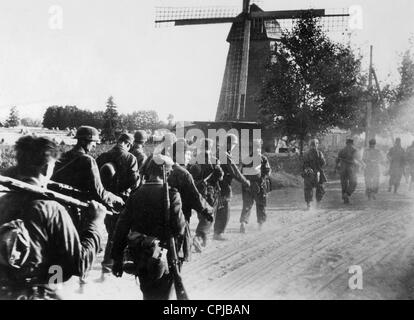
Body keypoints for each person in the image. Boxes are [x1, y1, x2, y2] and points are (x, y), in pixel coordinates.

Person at [0, 136, 106, 300]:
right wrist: (95, 224)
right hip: (37, 294)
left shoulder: (3, 202)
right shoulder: (51, 209)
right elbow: (79, 264)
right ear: (46, 168)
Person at [111, 154, 186, 300]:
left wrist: (117, 259)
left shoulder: (135, 194)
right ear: (168, 173)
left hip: (140, 254)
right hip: (164, 255)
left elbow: (121, 228)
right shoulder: (172, 195)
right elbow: (179, 228)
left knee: (148, 293)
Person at [96, 133, 139, 279]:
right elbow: (134, 180)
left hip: (105, 199)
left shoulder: (102, 156)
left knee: (110, 231)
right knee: (118, 232)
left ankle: (109, 264)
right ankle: (110, 265)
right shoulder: (130, 158)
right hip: (122, 201)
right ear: (128, 144)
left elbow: (96, 179)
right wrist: (122, 190)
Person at [52, 126, 124, 210]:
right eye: (94, 142)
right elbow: (99, 193)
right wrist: (116, 199)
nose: (95, 145)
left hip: (59, 201)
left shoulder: (63, 156)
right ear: (83, 141)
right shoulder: (88, 161)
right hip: (76, 206)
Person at [188, 138, 224, 247]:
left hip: (195, 190)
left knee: (201, 214)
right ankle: (199, 237)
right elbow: (220, 177)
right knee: (209, 215)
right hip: (209, 192)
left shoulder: (193, 160)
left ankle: (203, 239)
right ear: (211, 147)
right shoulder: (214, 160)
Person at [214, 133, 250, 240]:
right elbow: (235, 172)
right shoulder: (224, 155)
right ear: (229, 144)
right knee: (225, 209)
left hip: (218, 185)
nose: (234, 146)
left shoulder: (219, 152)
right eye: (234, 144)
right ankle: (218, 233)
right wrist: (246, 182)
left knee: (221, 208)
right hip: (223, 186)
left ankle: (217, 232)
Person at [239, 139, 271, 233]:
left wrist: (246, 183)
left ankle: (243, 223)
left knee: (247, 205)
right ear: (260, 146)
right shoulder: (263, 158)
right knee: (261, 205)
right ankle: (260, 225)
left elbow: (241, 173)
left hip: (247, 185)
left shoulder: (247, 158)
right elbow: (267, 172)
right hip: (259, 185)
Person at [302, 139, 327, 209]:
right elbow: (323, 163)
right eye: (315, 144)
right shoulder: (319, 153)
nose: (314, 146)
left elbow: (303, 164)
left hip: (309, 173)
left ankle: (309, 204)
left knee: (308, 188)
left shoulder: (306, 153)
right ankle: (317, 203)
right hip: (316, 173)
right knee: (319, 188)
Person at [335, 138, 360, 204]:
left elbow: (337, 160)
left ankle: (345, 198)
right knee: (353, 183)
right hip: (351, 168)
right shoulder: (355, 150)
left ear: (346, 143)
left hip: (343, 168)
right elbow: (357, 160)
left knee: (344, 184)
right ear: (352, 143)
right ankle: (347, 194)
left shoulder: (342, 150)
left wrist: (336, 167)